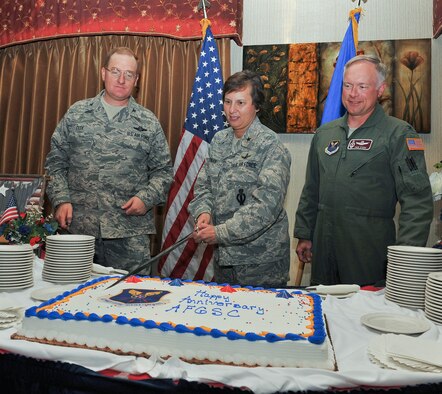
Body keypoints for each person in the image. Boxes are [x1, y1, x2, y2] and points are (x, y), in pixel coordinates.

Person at [294, 54, 434, 286]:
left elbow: (417, 201)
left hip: (369, 250)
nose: (352, 93)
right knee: (322, 314)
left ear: (380, 89)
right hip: (324, 247)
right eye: (347, 85)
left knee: (364, 316)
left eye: (362, 86)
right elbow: (311, 188)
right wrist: (305, 234)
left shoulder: (398, 134)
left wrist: (405, 256)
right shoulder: (324, 134)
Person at [45, 47, 173, 272]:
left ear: (137, 79)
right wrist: (61, 199)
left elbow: (163, 172)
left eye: (129, 74)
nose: (121, 79)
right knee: (71, 299)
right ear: (103, 73)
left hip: (129, 234)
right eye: (115, 71)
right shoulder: (77, 114)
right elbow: (56, 162)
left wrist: (146, 198)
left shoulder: (148, 122)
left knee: (131, 300)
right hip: (78, 230)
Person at [188, 70, 292, 288]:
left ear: (256, 106)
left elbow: (265, 207)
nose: (232, 110)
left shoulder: (271, 146)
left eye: (240, 103)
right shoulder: (219, 140)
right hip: (224, 259)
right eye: (227, 102)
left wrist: (219, 232)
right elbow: (204, 186)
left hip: (261, 263)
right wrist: (203, 212)